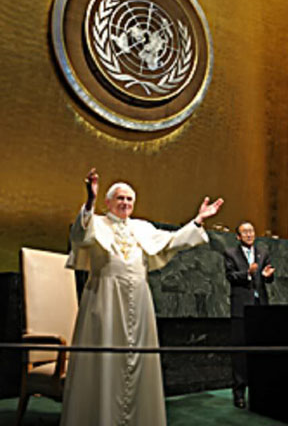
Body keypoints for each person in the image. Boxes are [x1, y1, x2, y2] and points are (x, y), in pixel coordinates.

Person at [60, 168, 224, 426]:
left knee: (138, 360)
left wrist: (198, 220)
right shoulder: (96, 222)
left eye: (129, 199)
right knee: (106, 359)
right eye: (120, 198)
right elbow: (79, 235)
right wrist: (90, 201)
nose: (125, 203)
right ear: (108, 202)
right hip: (105, 297)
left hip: (139, 298)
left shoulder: (142, 227)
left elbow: (173, 241)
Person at [224, 221, 275, 409]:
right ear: (238, 236)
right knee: (240, 353)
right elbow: (230, 276)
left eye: (251, 231)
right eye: (244, 232)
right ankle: (239, 394)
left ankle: (261, 392)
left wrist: (267, 275)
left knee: (261, 350)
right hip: (241, 309)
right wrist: (248, 273)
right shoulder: (230, 253)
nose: (249, 234)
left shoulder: (263, 251)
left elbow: (267, 278)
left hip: (260, 306)